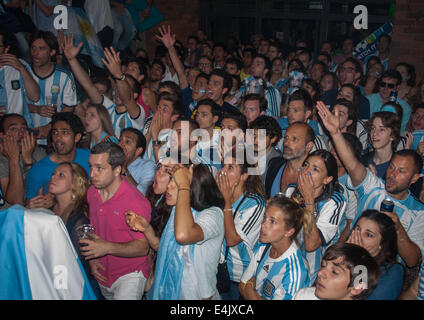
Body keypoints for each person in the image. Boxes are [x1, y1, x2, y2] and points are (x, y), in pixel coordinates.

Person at [317, 101, 424, 269]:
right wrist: (336, 132)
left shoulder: (419, 212)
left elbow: (413, 260)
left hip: (382, 276)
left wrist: (397, 228)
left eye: (401, 171)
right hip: (349, 263)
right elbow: (352, 165)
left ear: (414, 178)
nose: (392, 175)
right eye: (391, 168)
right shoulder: (374, 186)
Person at [82, 141, 151, 300]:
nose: (92, 174)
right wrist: (94, 257)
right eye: (91, 167)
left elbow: (143, 248)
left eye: (99, 168)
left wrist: (106, 247)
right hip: (104, 272)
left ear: (117, 170)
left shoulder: (135, 202)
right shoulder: (92, 192)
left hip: (130, 274)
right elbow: (95, 228)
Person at [148, 164, 225, 300]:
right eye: (171, 180)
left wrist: (183, 185)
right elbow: (164, 251)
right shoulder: (177, 211)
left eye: (176, 183)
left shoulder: (213, 215)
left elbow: (183, 235)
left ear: (192, 188)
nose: (169, 186)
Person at [60, 34, 145, 138]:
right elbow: (88, 85)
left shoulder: (137, 114)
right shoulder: (109, 107)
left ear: (135, 95)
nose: (118, 91)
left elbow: (127, 99)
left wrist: (119, 75)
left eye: (125, 86)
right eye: (117, 87)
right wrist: (72, 60)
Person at [286, 149, 347, 282]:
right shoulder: (291, 190)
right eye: (306, 165)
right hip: (286, 264)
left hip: (313, 272)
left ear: (327, 179)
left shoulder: (335, 201)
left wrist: (308, 199)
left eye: (315, 169)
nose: (306, 171)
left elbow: (311, 245)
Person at [47, 161, 103, 299]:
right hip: (53, 281)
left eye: (61, 175)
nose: (53, 178)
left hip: (74, 288)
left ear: (74, 184)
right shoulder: (47, 212)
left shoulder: (79, 220)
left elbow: (77, 265)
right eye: (53, 174)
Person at [215, 150, 266, 300]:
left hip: (238, 278)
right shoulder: (216, 195)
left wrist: (226, 201)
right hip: (215, 270)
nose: (222, 171)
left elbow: (232, 239)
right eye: (223, 166)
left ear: (244, 176)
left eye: (230, 167)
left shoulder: (255, 203)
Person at [239, 197, 310, 300]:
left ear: (289, 231)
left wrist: (250, 287)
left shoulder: (296, 270)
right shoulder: (263, 247)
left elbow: (246, 286)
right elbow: (241, 286)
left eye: (272, 221)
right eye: (265, 217)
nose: (263, 224)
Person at [27, 30, 78, 143]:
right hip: (26, 137)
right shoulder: (23, 72)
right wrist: (36, 109)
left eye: (41, 48)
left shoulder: (64, 76)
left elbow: (69, 107)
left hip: (53, 140)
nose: (35, 53)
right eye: (33, 48)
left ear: (52, 52)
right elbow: (14, 102)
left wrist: (50, 127)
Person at [25, 112, 90, 201]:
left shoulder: (90, 158)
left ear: (77, 137)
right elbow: (30, 204)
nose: (58, 137)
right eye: (55, 132)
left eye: (64, 132)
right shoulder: (38, 170)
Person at [346, 209, 404, 300]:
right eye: (357, 230)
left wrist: (358, 261)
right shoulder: (344, 256)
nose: (358, 237)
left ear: (382, 244)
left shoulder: (392, 272)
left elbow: (358, 296)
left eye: (369, 235)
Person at [293, 243, 380, 300]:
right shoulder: (305, 296)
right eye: (323, 265)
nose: (320, 273)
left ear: (357, 287)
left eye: (334, 272)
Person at [0, 113, 45, 209]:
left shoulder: (38, 152)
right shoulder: (1, 159)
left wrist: (29, 161)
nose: (21, 133)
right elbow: (16, 200)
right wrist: (13, 160)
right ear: (2, 135)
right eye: (14, 129)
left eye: (23, 129)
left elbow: (41, 193)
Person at [0, 30, 40, 127]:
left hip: (18, 130)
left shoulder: (18, 65)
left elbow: (35, 96)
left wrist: (21, 69)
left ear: (6, 49)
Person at [265, 122, 314, 199]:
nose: (286, 143)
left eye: (294, 139)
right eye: (286, 137)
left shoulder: (312, 176)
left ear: (308, 146)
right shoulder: (274, 165)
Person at [360, 111, 401, 179]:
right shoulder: (363, 160)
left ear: (393, 135)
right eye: (373, 128)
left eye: (382, 129)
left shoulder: (398, 165)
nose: (375, 133)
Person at [119, 127, 156, 196]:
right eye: (120, 140)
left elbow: (145, 194)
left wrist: (125, 170)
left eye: (127, 142)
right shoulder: (112, 162)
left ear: (138, 151)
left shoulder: (148, 166)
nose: (120, 145)